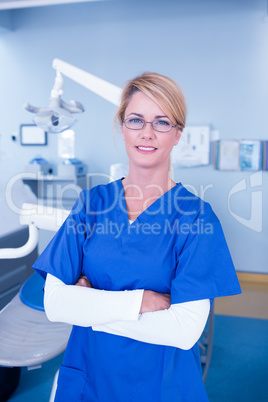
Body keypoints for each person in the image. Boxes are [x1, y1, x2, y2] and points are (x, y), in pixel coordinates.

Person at [33, 72, 241, 401]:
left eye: (162, 122)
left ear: (177, 135)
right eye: (136, 120)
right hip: (89, 380)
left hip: (162, 385)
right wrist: (140, 302)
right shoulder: (92, 205)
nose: (147, 132)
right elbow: (55, 304)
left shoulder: (196, 217)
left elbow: (184, 331)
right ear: (122, 127)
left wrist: (89, 308)